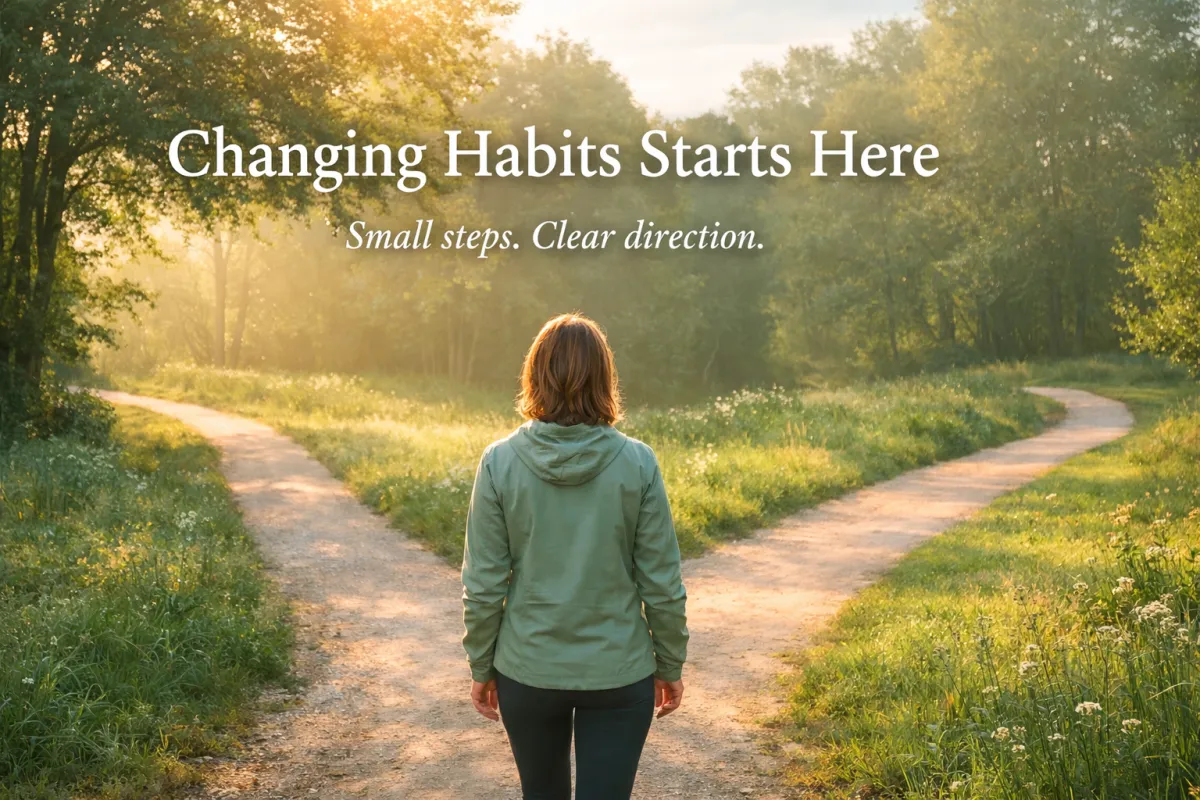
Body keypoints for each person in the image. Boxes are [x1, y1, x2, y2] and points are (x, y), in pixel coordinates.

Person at [461, 312, 689, 800]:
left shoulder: (499, 462)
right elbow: (662, 583)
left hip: (528, 669)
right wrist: (670, 663)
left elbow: (483, 583)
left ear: (535, 375)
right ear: (604, 379)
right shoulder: (638, 462)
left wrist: (482, 666)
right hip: (619, 672)